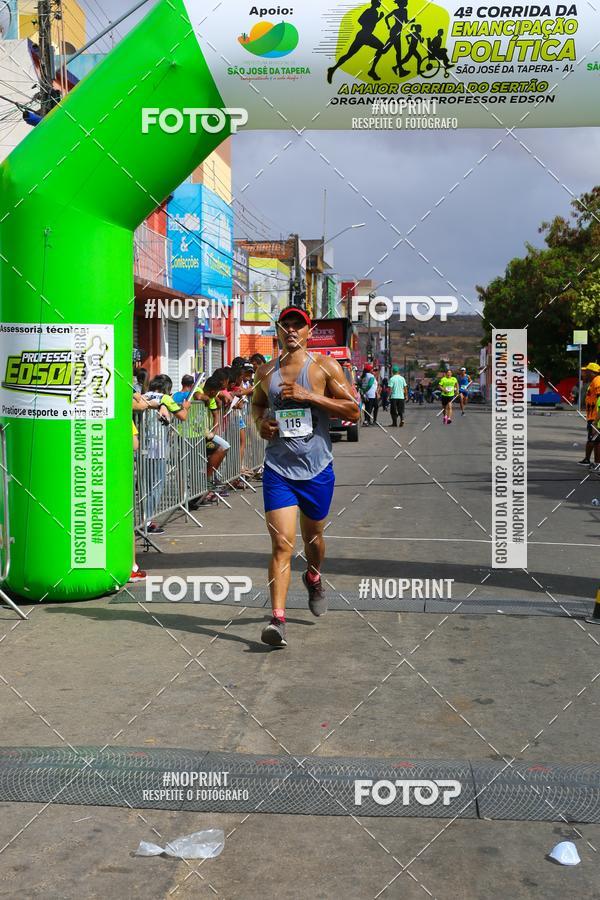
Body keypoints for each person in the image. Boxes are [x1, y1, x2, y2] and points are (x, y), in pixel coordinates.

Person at [252, 306, 360, 647]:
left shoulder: (325, 367)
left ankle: (313, 576)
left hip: (316, 469)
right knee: (282, 544)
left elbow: (354, 410)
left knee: (313, 540)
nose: (292, 331)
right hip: (278, 470)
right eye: (286, 326)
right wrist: (260, 424)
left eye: (298, 326)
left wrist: (309, 396)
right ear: (278, 332)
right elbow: (256, 404)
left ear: (309, 331)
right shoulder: (266, 371)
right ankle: (278, 621)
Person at [327, 0, 384, 84]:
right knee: (382, 47)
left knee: (349, 54)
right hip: (365, 35)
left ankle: (333, 68)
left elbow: (367, 22)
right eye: (379, 2)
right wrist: (375, 20)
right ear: (375, 3)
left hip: (364, 35)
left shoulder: (373, 11)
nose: (380, 3)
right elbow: (360, 20)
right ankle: (371, 71)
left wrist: (378, 19)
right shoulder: (371, 11)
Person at [578, 363, 600, 468]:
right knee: (594, 440)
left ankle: (597, 464)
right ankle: (591, 461)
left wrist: (596, 420)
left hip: (596, 417)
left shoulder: (597, 381)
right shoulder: (593, 381)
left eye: (586, 371)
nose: (584, 373)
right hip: (593, 416)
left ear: (592, 373)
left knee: (595, 440)